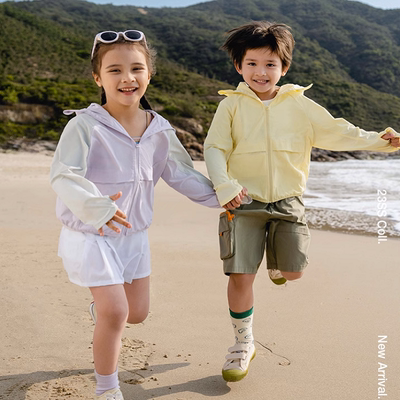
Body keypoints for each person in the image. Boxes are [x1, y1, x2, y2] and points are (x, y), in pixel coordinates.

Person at [203, 21, 400, 383]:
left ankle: (278, 264)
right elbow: (214, 148)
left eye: (270, 65)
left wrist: (380, 140)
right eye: (252, 64)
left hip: (288, 201)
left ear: (284, 68)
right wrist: (225, 186)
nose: (261, 72)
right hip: (242, 203)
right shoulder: (230, 106)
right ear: (238, 66)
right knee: (240, 274)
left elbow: (338, 131)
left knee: (293, 272)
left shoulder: (300, 105)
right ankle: (242, 343)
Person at [50, 30, 219, 400]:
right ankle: (107, 390)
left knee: (136, 313)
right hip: (92, 233)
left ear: (149, 75)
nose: (127, 77)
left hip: (134, 235)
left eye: (136, 68)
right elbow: (63, 175)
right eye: (115, 70)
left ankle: (103, 310)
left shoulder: (159, 128)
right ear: (98, 78)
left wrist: (222, 198)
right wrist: (98, 208)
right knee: (116, 312)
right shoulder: (84, 125)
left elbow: (181, 173)